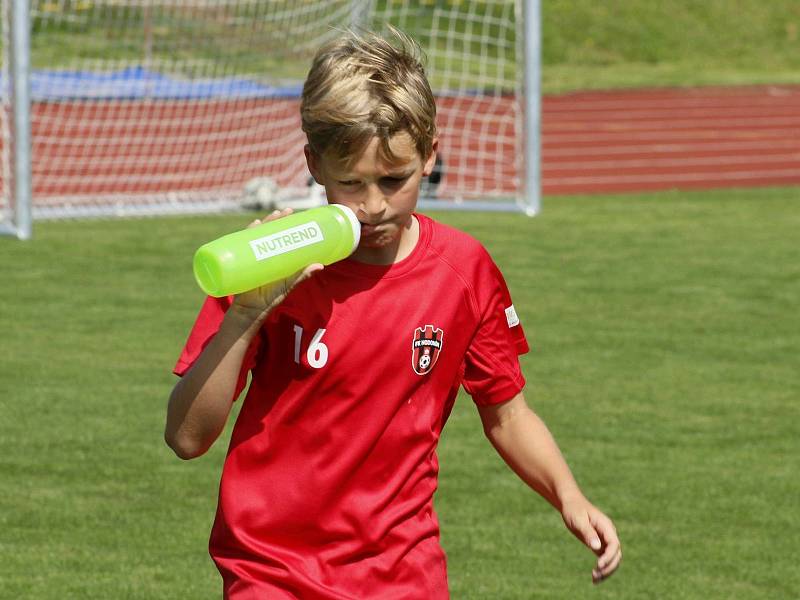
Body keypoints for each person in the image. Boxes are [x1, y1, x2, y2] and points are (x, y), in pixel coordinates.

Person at [165, 28, 621, 599]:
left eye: (394, 180)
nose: (374, 205)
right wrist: (247, 314)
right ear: (313, 163)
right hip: (271, 571)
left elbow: (507, 414)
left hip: (403, 577)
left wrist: (569, 496)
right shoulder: (270, 259)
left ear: (430, 155)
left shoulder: (464, 271)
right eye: (350, 183)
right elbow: (185, 437)